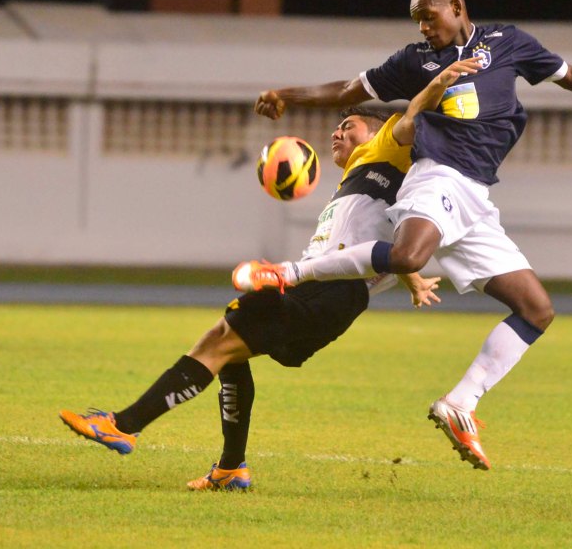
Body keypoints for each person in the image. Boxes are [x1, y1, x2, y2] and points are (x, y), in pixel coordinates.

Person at [239, 0, 572, 471]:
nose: (423, 27)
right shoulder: (416, 62)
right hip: (437, 177)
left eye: (428, 17)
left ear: (456, 7)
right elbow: (349, 88)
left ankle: (461, 403)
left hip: (476, 196)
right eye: (417, 20)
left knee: (536, 309)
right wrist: (286, 94)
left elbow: (568, 75)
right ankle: (291, 273)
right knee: (408, 256)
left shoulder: (509, 43)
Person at [57, 60, 480, 489]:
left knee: (218, 342)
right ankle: (230, 468)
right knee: (229, 353)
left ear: (377, 129)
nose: (336, 132)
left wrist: (440, 82)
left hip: (326, 294)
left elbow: (411, 118)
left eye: (348, 125)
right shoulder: (367, 177)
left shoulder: (389, 146)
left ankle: (123, 425)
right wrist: (411, 277)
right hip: (326, 295)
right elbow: (382, 237)